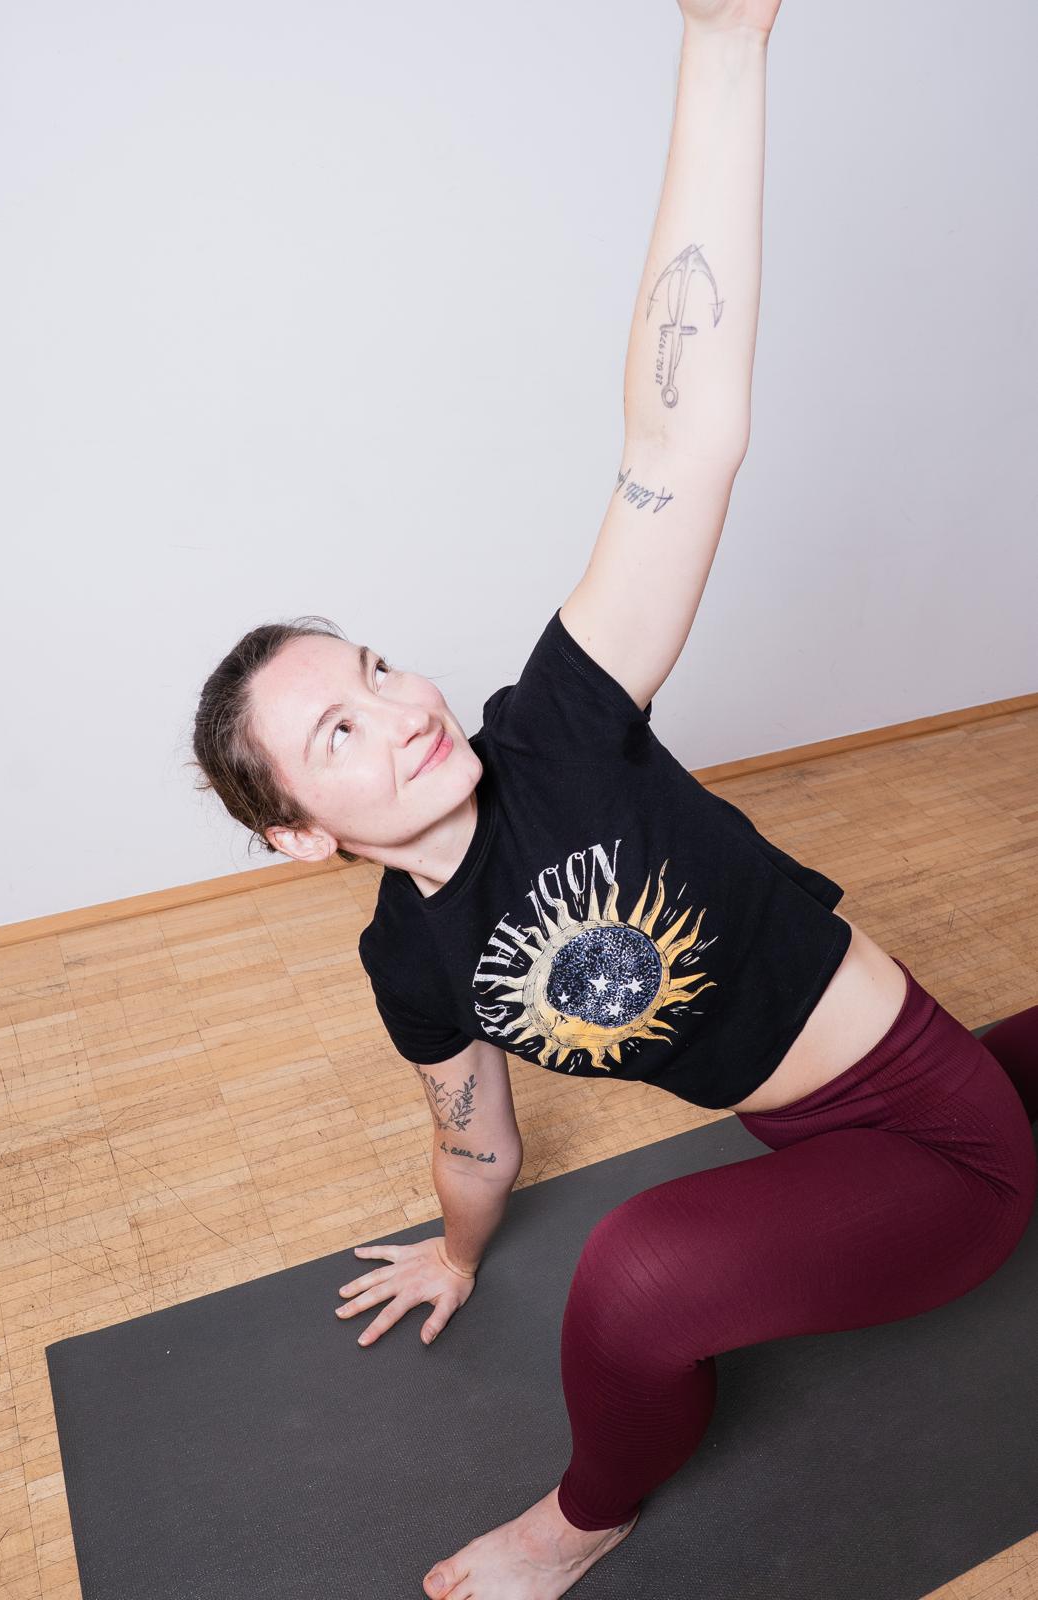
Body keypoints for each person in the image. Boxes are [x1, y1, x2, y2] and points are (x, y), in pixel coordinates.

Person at [190, 2, 1038, 1596]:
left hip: (938, 1152)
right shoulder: (410, 961)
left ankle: (584, 1517)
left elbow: (680, 436)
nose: (404, 707)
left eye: (377, 667)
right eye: (338, 729)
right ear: (297, 833)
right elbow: (473, 1134)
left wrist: (721, 44)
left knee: (638, 1271)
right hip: (812, 1134)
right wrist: (453, 1257)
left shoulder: (566, 726)